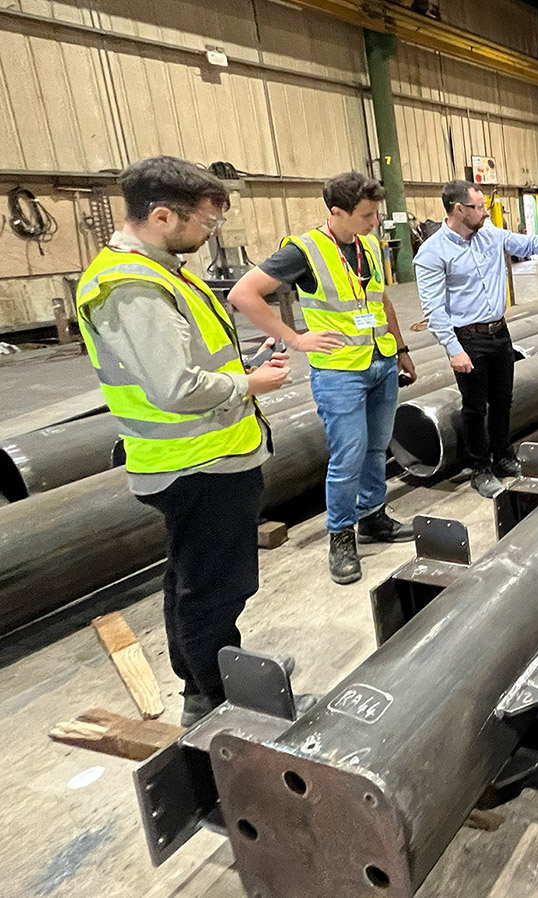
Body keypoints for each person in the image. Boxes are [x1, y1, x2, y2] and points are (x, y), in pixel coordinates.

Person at [75, 156, 289, 725]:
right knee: (215, 587)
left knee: (193, 578)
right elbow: (174, 386)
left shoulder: (160, 268)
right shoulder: (131, 286)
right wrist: (248, 382)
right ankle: (213, 699)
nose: (210, 234)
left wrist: (245, 367)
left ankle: (203, 678)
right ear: (163, 215)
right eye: (206, 223)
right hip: (194, 461)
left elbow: (187, 357)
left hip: (207, 454)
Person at [229, 172, 416, 585]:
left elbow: (379, 299)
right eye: (367, 214)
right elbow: (243, 294)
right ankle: (342, 536)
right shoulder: (305, 250)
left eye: (376, 213)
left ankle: (373, 517)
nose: (374, 221)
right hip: (339, 373)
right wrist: (294, 339)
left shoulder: (367, 244)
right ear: (337, 212)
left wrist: (400, 350)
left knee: (375, 449)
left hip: (380, 362)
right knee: (348, 456)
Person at [415, 180, 538, 498]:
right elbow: (434, 308)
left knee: (503, 399)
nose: (486, 213)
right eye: (480, 208)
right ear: (459, 210)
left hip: (499, 333)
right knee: (475, 408)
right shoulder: (432, 253)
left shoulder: (491, 236)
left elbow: (527, 243)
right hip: (468, 339)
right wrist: (453, 348)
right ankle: (480, 468)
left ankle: (503, 455)